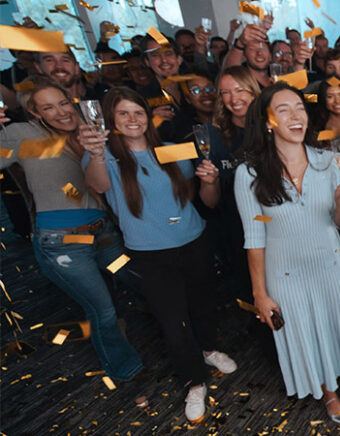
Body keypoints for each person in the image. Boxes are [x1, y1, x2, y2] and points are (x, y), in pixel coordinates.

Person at [233, 83, 340, 427]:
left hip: (332, 263)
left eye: (300, 108)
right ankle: (329, 394)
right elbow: (254, 238)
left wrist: (339, 203)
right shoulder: (249, 174)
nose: (296, 116)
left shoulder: (326, 161)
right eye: (284, 109)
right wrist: (260, 293)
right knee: (307, 331)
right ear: (268, 120)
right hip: (285, 274)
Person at [79, 87, 236, 424]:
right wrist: (93, 152)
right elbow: (99, 186)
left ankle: (208, 349)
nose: (132, 119)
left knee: (204, 304)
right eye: (123, 113)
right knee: (173, 322)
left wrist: (210, 181)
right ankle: (195, 381)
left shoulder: (172, 150)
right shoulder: (104, 157)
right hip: (150, 253)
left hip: (194, 240)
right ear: (111, 120)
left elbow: (204, 200)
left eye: (137, 112)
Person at [0, 77, 146, 404]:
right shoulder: (24, 136)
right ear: (35, 113)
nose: (60, 112)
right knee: (103, 310)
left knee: (137, 278)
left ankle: (173, 338)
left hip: (105, 236)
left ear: (73, 101)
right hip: (65, 248)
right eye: (48, 107)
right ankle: (126, 372)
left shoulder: (90, 128)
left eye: (63, 103)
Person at [205, 66, 261, 300]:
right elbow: (210, 202)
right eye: (226, 93)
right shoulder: (212, 136)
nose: (234, 99)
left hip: (273, 224)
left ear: (252, 91)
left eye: (239, 90)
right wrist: (209, 182)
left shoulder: (271, 129)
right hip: (235, 228)